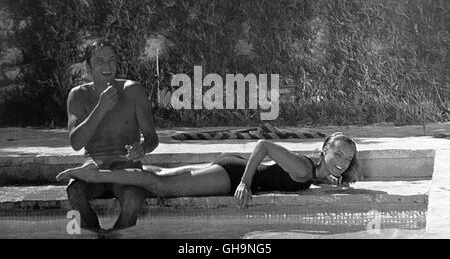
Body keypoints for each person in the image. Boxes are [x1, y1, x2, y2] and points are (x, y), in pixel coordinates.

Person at [58, 133, 360, 209]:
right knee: (161, 184)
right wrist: (244, 184)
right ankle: (97, 175)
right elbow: (264, 145)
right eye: (338, 154)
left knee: (162, 174)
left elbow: (317, 180)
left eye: (347, 159)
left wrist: (337, 184)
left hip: (232, 167)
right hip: (231, 175)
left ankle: (106, 166)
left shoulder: (314, 173)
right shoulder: (305, 169)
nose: (342, 162)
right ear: (324, 151)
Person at [65, 39, 159, 230]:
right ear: (88, 66)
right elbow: (76, 142)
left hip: (126, 167)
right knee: (74, 191)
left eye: (112, 61)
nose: (107, 66)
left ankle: (117, 235)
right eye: (100, 61)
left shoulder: (133, 91)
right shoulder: (78, 95)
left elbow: (152, 138)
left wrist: (142, 149)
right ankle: (94, 233)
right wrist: (101, 108)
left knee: (133, 199)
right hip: (94, 166)